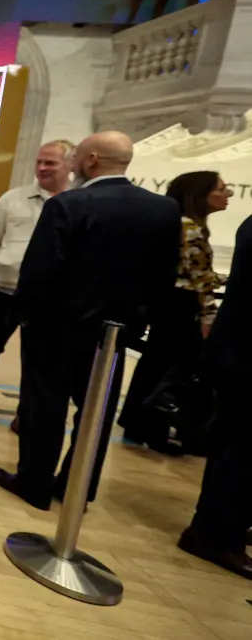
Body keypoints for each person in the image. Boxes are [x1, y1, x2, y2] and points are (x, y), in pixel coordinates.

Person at [0, 131, 179, 510]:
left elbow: (42, 269)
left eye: (76, 155)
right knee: (97, 410)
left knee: (45, 405)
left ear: (92, 159)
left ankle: (34, 481)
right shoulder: (163, 210)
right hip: (115, 334)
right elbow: (162, 278)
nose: (73, 161)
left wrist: (25, 314)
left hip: (56, 328)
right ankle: (78, 487)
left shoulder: (70, 205)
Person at [119, 171, 230, 453]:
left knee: (155, 363)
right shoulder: (190, 227)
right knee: (174, 369)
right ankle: (156, 427)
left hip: (167, 303)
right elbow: (199, 277)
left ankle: (137, 421)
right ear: (201, 194)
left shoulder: (178, 223)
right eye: (220, 188)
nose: (227, 193)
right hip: (181, 306)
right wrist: (208, 315)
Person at [0, 139, 73, 424]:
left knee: (38, 360)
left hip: (46, 302)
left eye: (50, 162)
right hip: (2, 292)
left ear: (69, 165)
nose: (41, 168)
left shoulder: (75, 205)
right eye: (39, 161)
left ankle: (25, 412)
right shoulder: (12, 199)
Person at [178, 215, 250, 579]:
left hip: (236, 355)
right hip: (243, 359)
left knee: (234, 449)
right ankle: (216, 533)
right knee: (238, 451)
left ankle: (224, 526)